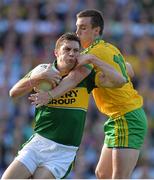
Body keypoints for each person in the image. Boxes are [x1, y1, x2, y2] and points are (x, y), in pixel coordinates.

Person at [32, 10, 147, 179]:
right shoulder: (109, 48)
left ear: (96, 31)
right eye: (77, 28)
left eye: (83, 28)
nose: (77, 32)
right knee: (102, 173)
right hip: (118, 117)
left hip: (126, 116)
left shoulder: (91, 54)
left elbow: (72, 79)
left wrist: (49, 95)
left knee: (119, 177)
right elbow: (129, 70)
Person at [2, 33, 126, 179]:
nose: (72, 54)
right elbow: (13, 93)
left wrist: (94, 59)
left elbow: (120, 80)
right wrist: (36, 78)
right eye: (67, 49)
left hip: (63, 152)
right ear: (56, 52)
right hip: (39, 143)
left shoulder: (85, 76)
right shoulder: (44, 70)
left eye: (75, 50)